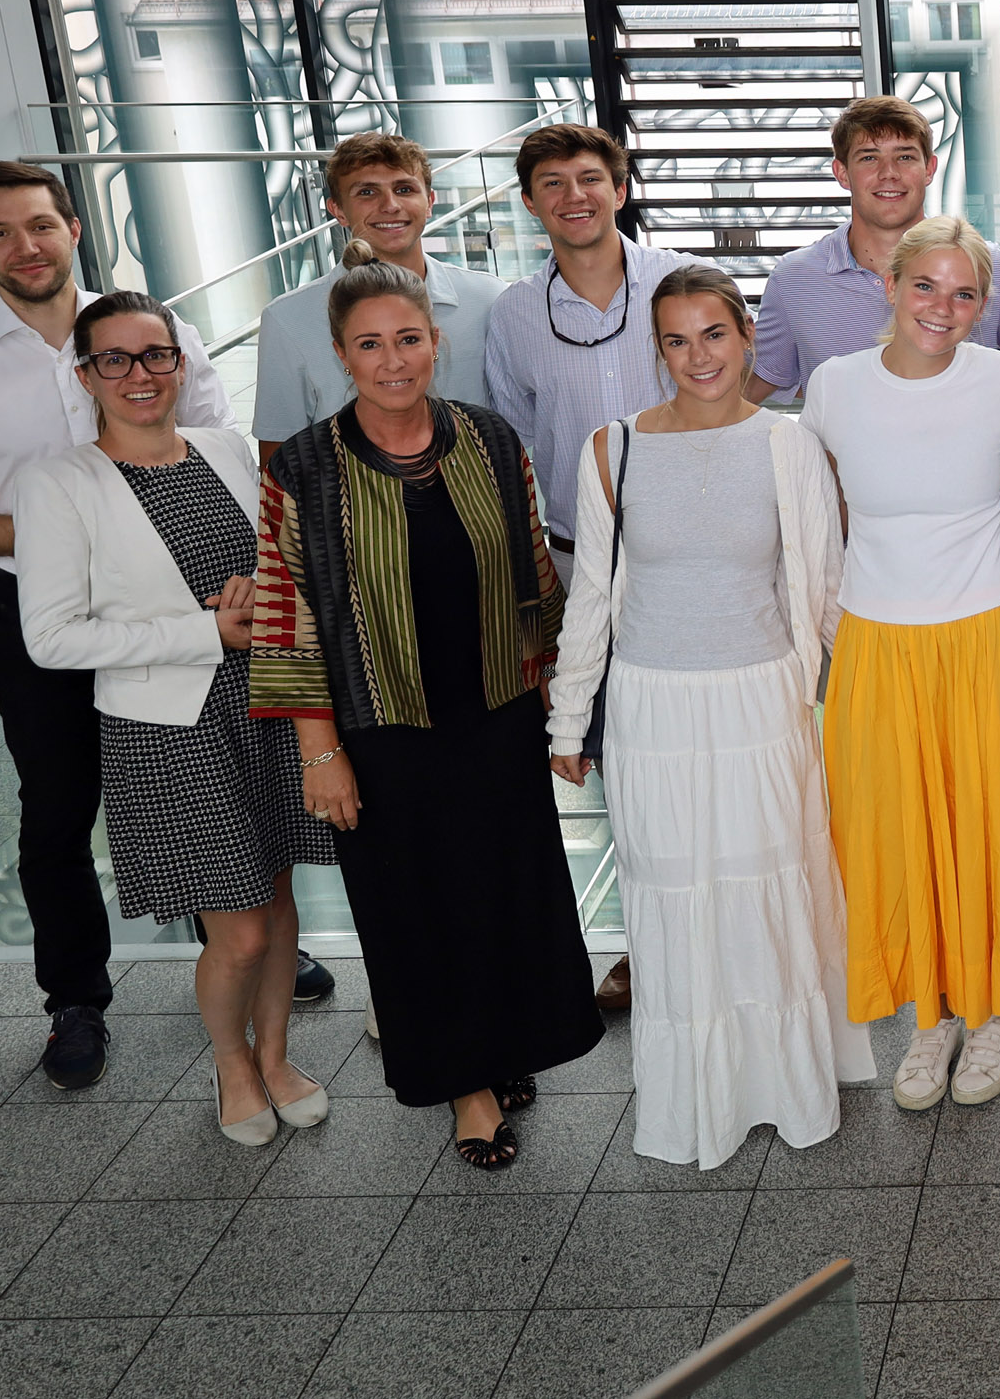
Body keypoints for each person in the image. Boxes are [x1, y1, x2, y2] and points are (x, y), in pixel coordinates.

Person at [251, 241, 601, 1170]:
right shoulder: (302, 471)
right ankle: (467, 1086)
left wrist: (561, 713)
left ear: (435, 342)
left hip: (495, 712)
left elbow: (535, 577)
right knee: (418, 906)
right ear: (341, 354)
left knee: (507, 889)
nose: (394, 359)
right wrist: (320, 752)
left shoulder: (490, 439)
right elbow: (286, 614)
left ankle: (509, 1043)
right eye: (371, 344)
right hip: (378, 729)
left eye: (409, 338)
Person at [0, 162, 236, 1089]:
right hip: (38, 610)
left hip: (169, 593)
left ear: (73, 228)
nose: (24, 245)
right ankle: (75, 998)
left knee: (200, 771)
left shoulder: (159, 334)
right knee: (55, 811)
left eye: (40, 225)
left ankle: (237, 939)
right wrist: (51, 535)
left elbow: (210, 444)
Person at [546, 264, 873, 1167]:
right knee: (675, 896)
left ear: (744, 339)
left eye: (715, 334)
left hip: (763, 701)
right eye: (677, 340)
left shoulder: (788, 444)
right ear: (658, 349)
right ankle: (699, 1101)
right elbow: (592, 602)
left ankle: (784, 1085)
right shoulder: (612, 448)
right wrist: (569, 724)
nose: (699, 356)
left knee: (767, 889)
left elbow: (827, 584)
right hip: (650, 708)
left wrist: (847, 702)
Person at [17, 293, 334, 1145]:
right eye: (113, 359)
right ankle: (230, 1063)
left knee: (278, 903)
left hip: (266, 704)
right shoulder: (58, 483)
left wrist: (262, 593)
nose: (139, 375)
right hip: (168, 727)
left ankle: (275, 1056)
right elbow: (49, 637)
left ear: (181, 362)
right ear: (85, 374)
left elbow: (288, 566)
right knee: (238, 931)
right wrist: (204, 629)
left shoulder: (229, 450)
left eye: (154, 355)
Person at [801, 215, 1000, 1111]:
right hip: (876, 642)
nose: (945, 306)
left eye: (967, 292)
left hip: (983, 637)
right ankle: (931, 1017)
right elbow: (822, 515)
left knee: (990, 825)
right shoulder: (834, 386)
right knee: (899, 831)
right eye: (927, 285)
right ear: (890, 285)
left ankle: (994, 1009)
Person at [485, 121, 704, 1013]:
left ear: (621, 186)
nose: (574, 195)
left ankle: (732, 929)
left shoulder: (679, 284)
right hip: (584, 568)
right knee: (625, 759)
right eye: (552, 182)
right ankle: (653, 946)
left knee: (716, 745)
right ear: (531, 201)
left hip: (697, 558)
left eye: (590, 177)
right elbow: (513, 445)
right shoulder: (511, 315)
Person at [747, 95, 1000, 403]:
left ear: (929, 168)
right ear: (842, 172)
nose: (889, 173)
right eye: (869, 158)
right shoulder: (794, 280)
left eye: (905, 157)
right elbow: (754, 385)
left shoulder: (988, 265)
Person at [254, 132, 508, 460]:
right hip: (353, 508)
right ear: (338, 210)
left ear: (429, 202)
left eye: (404, 189)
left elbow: (514, 425)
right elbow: (278, 460)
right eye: (367, 192)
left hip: (475, 501)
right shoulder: (287, 319)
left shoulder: (489, 299)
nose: (390, 205)